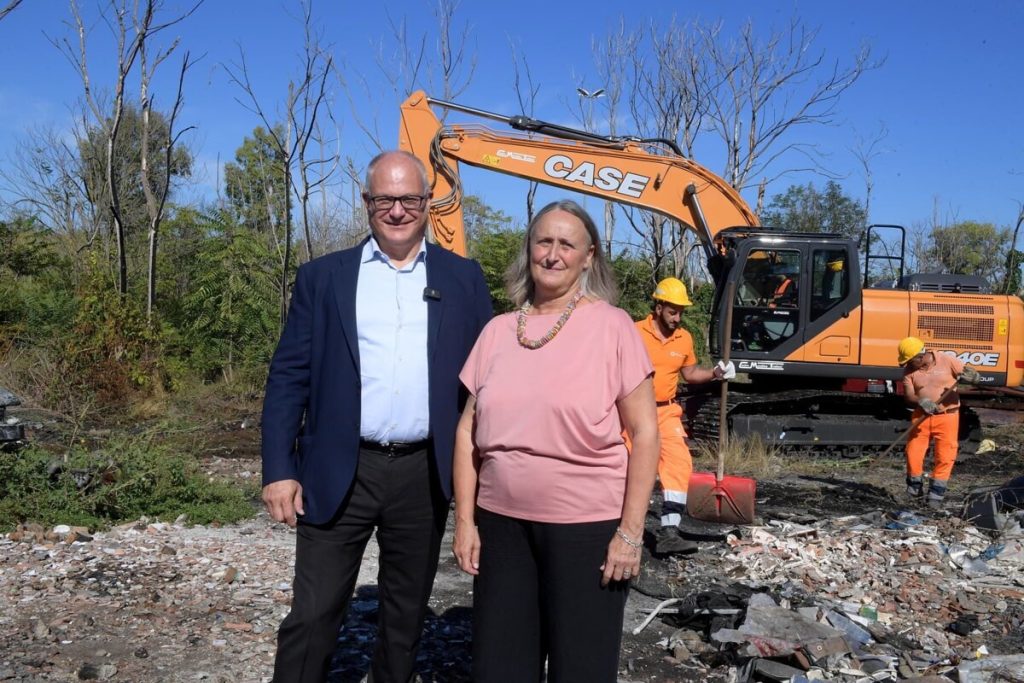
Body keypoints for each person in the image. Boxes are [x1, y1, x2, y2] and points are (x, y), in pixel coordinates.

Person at [261, 150, 493, 683]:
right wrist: (279, 467)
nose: (397, 210)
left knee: (404, 618)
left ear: (427, 202)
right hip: (339, 467)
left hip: (423, 474)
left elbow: (488, 382)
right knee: (315, 613)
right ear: (367, 203)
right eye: (385, 199)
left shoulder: (463, 279)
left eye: (408, 198)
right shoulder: (323, 278)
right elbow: (289, 375)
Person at [451, 199, 660, 682]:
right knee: (499, 667)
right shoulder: (497, 332)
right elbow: (467, 434)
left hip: (586, 529)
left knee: (580, 668)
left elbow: (646, 434)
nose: (552, 253)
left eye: (567, 244)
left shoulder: (613, 327)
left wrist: (629, 533)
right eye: (543, 241)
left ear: (589, 257)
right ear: (528, 251)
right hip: (502, 528)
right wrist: (465, 521)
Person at [635, 277, 735, 554]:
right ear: (658, 307)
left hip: (667, 411)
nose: (678, 317)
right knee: (626, 468)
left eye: (681, 311)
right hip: (634, 410)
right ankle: (617, 527)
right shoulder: (633, 332)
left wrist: (715, 373)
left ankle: (669, 531)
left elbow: (690, 374)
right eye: (672, 311)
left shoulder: (685, 338)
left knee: (679, 464)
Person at [898, 336, 981, 509]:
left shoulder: (946, 360)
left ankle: (935, 496)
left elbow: (970, 374)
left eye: (910, 361)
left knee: (945, 456)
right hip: (921, 416)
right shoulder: (909, 372)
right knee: (913, 454)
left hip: (947, 417)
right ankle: (914, 491)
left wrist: (972, 377)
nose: (907, 365)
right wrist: (921, 401)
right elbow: (909, 396)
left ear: (921, 356)